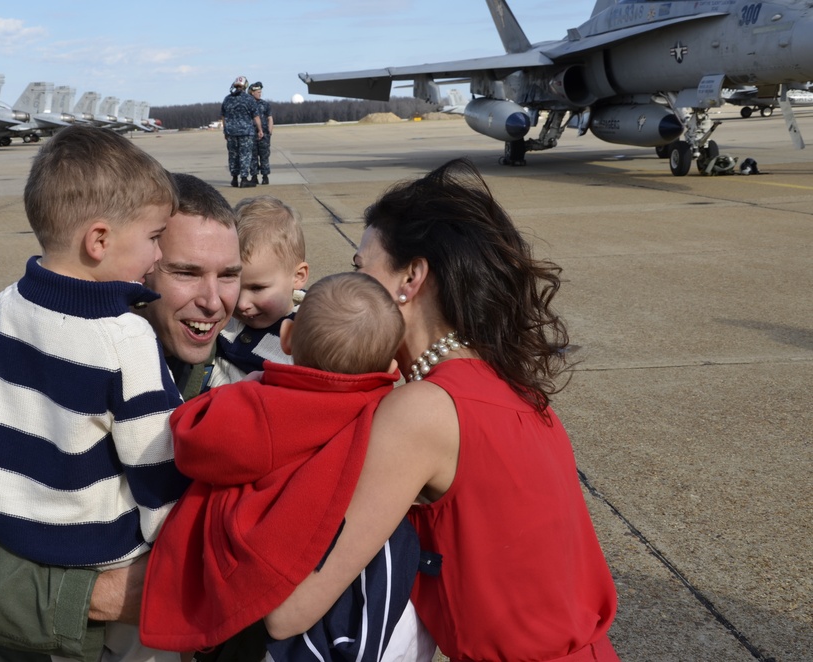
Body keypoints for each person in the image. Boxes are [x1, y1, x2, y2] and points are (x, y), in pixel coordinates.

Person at [266, 158, 621, 662]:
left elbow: (292, 609)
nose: (351, 281)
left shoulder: (423, 411)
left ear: (410, 277)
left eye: (360, 267)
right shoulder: (513, 388)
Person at [0, 172, 243, 662]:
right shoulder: (41, 369)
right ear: (137, 268)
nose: (215, 300)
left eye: (228, 274)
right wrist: (99, 596)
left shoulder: (235, 369)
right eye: (185, 272)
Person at [140, 272, 423, 662]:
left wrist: (241, 389)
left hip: (251, 572)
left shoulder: (270, 406)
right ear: (391, 362)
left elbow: (192, 440)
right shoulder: (379, 410)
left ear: (286, 338)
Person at [210, 195, 308, 387]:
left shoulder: (310, 334)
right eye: (233, 284)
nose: (241, 304)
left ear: (298, 276)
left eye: (257, 288)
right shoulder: (218, 314)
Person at [221, 76, 262, 188]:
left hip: (231, 133)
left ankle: (234, 179)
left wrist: (225, 131)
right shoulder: (249, 99)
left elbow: (224, 117)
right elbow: (256, 117)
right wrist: (260, 130)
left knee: (233, 155)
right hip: (246, 132)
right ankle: (244, 179)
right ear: (245, 85)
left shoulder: (227, 99)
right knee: (245, 155)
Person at [247, 82, 273, 185]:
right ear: (252, 93)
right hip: (251, 134)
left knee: (264, 156)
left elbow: (270, 118)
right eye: (258, 92)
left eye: (260, 92)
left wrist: (270, 132)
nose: (260, 94)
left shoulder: (265, 104)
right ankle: (254, 176)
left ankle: (265, 176)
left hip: (264, 135)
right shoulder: (248, 104)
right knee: (252, 157)